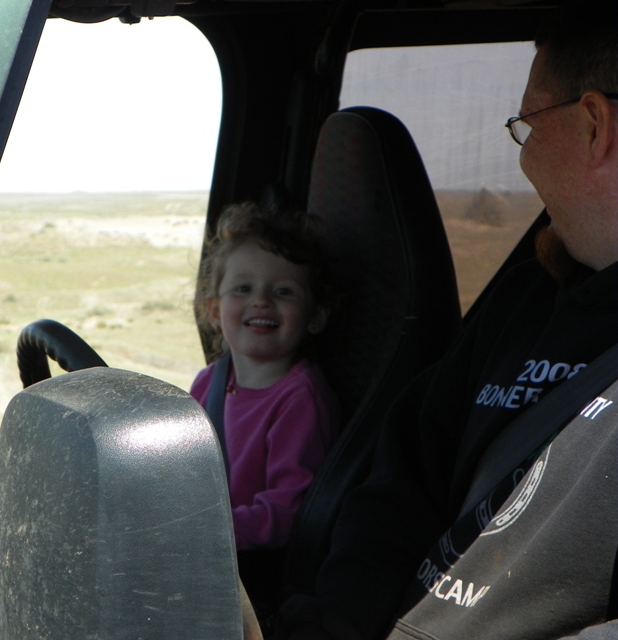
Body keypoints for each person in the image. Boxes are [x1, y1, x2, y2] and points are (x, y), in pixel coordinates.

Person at [266, 1, 618, 638]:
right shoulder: (529, 298)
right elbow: (396, 494)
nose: (524, 157)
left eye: (528, 124)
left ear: (595, 125)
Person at [191, 201, 340, 553]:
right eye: (243, 289)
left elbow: (287, 514)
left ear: (315, 315)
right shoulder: (208, 382)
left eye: (283, 292)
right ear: (214, 312)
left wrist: (203, 531)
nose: (261, 301)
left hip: (245, 565)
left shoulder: (301, 401)